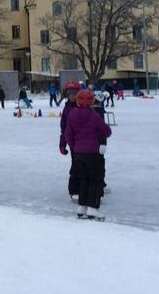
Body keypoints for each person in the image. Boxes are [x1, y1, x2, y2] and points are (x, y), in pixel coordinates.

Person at [61, 89, 112, 220]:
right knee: (95, 179)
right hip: (92, 153)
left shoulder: (72, 114)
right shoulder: (94, 116)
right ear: (92, 101)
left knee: (83, 179)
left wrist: (74, 146)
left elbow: (68, 134)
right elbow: (106, 132)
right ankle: (92, 208)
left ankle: (82, 206)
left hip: (78, 152)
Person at [58, 81, 82, 201]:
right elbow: (64, 127)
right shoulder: (67, 109)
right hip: (74, 143)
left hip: (85, 141)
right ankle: (74, 190)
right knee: (76, 166)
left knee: (91, 165)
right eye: (69, 93)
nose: (72, 95)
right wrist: (63, 143)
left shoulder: (83, 105)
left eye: (74, 92)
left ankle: (96, 186)